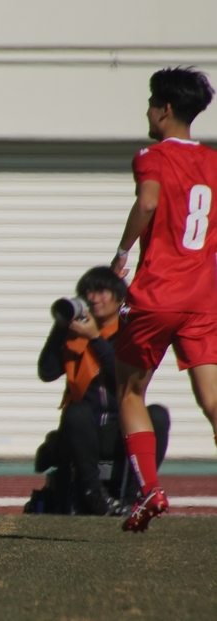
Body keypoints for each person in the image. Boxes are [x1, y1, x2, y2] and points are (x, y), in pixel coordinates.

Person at [112, 67, 217, 532]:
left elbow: (149, 202)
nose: (148, 111)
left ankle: (150, 489)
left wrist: (122, 252)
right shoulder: (214, 163)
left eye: (152, 102)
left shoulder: (151, 155)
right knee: (213, 399)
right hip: (203, 297)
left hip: (158, 294)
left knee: (130, 391)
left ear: (166, 109)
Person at [36, 266, 170, 515]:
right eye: (87, 292)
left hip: (122, 427)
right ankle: (94, 497)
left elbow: (122, 377)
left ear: (119, 297)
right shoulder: (74, 334)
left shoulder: (130, 332)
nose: (93, 298)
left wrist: (96, 338)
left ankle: (135, 498)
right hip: (83, 431)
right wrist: (60, 328)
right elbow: (46, 371)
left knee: (158, 415)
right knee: (76, 412)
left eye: (101, 291)